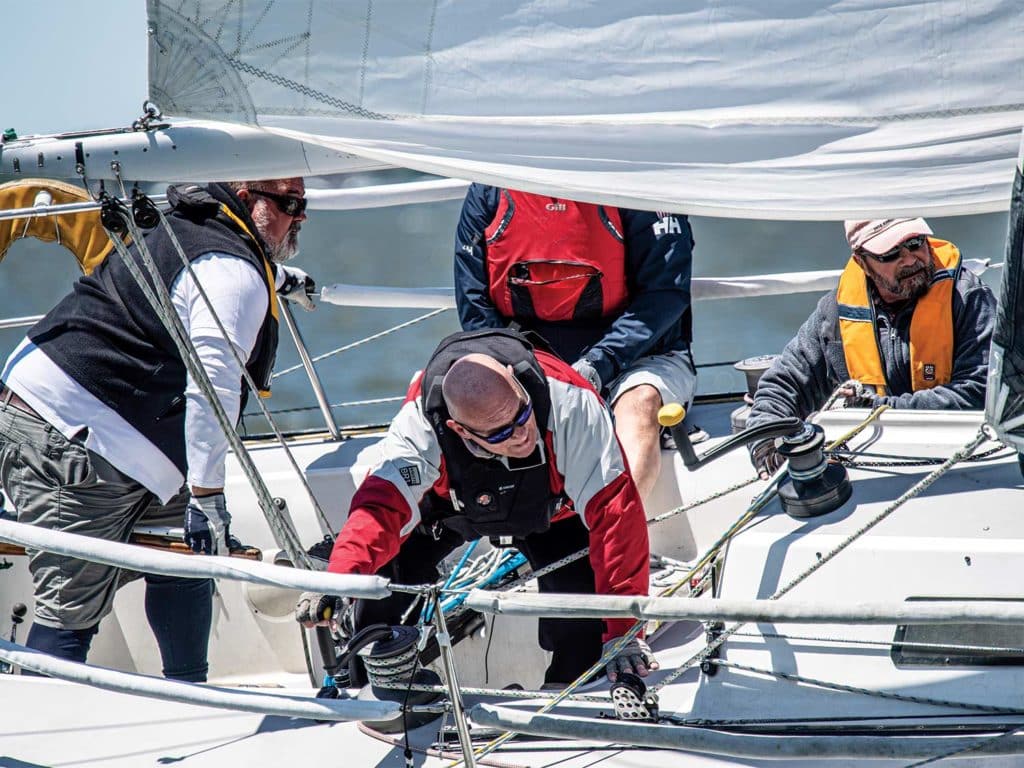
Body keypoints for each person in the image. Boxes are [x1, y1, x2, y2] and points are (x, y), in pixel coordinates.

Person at [0, 177, 316, 680]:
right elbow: (211, 389)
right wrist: (208, 496)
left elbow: (208, 274)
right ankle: (44, 736)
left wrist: (280, 279)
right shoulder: (231, 272)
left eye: (303, 204)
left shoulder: (196, 228)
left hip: (110, 430)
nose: (300, 216)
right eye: (288, 203)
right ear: (245, 193)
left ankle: (190, 688)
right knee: (70, 610)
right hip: (69, 434)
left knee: (187, 556)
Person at [295, 328, 656, 686]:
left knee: (584, 629)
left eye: (522, 415)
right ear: (460, 430)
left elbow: (616, 518)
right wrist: (337, 578)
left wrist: (625, 632)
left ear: (516, 382)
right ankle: (380, 688)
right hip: (449, 510)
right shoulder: (419, 427)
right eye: (501, 433)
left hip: (554, 515)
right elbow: (379, 509)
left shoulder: (572, 404)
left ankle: (567, 689)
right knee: (384, 593)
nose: (522, 435)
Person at [453, 184, 695, 503]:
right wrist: (523, 373)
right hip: (527, 362)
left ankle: (615, 538)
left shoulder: (640, 183)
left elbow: (665, 294)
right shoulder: (489, 189)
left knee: (641, 404)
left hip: (640, 357)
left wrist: (598, 364)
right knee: (468, 398)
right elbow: (474, 301)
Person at [747, 217, 996, 477]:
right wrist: (766, 441)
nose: (911, 259)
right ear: (861, 262)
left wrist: (875, 410)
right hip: (870, 466)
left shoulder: (968, 298)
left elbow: (983, 392)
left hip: (965, 460)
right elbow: (784, 383)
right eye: (890, 254)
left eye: (915, 243)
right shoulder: (833, 315)